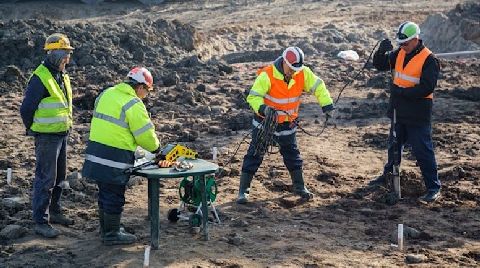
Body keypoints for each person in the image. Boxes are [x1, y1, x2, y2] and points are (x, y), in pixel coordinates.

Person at [237, 46, 334, 204]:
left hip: (288, 125)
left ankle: (299, 186)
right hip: (264, 123)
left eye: (297, 69)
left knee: (292, 155)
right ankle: (243, 192)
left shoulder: (303, 73)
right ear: (284, 62)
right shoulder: (267, 75)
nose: (294, 72)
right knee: (255, 154)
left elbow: (319, 86)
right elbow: (253, 97)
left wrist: (327, 105)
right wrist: (264, 109)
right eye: (291, 68)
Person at [82, 67, 160, 245]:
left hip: (95, 152)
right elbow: (145, 135)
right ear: (140, 87)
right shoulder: (133, 103)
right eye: (147, 90)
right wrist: (157, 149)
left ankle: (107, 229)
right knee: (114, 195)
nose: (146, 95)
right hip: (114, 157)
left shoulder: (107, 93)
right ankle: (111, 234)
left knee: (104, 192)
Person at [369, 21, 441, 202]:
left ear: (416, 39)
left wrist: (402, 92)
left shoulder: (429, 60)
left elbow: (427, 87)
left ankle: (433, 187)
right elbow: (379, 65)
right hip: (398, 111)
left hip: (417, 114)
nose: (402, 47)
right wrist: (381, 51)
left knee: (423, 150)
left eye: (405, 43)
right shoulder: (400, 53)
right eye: (400, 44)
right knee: (394, 146)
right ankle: (387, 177)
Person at [20, 33, 75, 238]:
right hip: (47, 137)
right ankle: (40, 221)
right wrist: (32, 128)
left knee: (60, 177)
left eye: (68, 53)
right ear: (53, 53)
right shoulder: (40, 77)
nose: (67, 58)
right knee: (46, 179)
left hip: (62, 134)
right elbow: (26, 109)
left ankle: (55, 211)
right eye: (65, 53)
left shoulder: (61, 75)